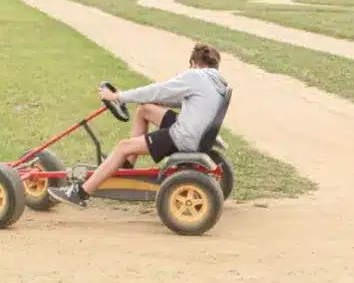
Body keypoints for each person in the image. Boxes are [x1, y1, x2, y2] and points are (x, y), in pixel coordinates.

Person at [48, 43, 230, 208]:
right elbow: (186, 100)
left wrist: (117, 97)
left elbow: (158, 90)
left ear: (195, 63)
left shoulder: (195, 76)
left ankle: (80, 193)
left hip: (183, 137)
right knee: (144, 110)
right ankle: (126, 164)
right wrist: (156, 102)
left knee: (122, 146)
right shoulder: (216, 82)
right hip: (197, 132)